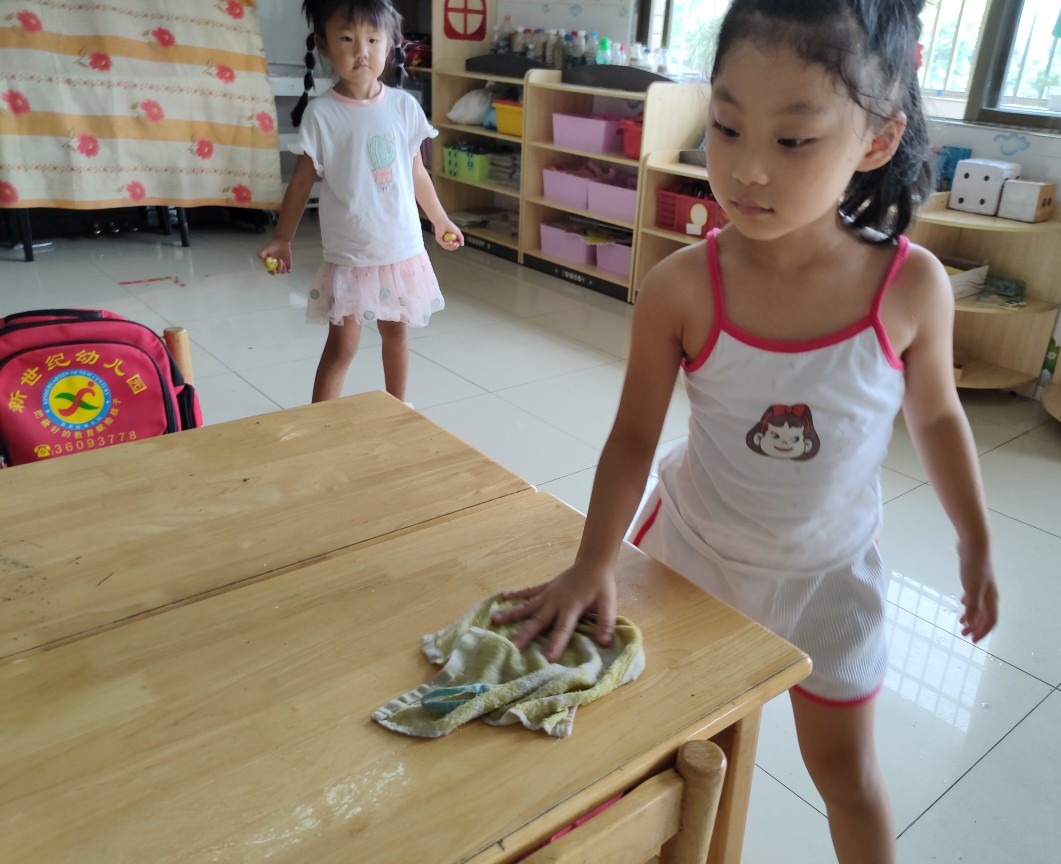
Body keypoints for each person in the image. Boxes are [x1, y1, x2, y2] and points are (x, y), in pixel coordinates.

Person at [493, 1, 999, 861]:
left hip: (830, 580)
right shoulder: (683, 286)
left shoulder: (911, 288)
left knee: (847, 777)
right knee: (667, 758)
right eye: (726, 128)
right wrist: (594, 560)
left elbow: (939, 415)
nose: (748, 170)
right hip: (691, 561)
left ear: (877, 140)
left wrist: (975, 540)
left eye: (793, 140)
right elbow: (632, 439)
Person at [258, 0, 461, 404]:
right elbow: (301, 183)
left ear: (391, 43)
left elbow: (416, 172)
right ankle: (321, 421)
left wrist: (440, 220)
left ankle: (398, 410)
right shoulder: (322, 114)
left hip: (400, 246)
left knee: (397, 333)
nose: (361, 51)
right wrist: (282, 238)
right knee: (343, 345)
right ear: (323, 45)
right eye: (347, 39)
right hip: (351, 252)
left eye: (372, 40)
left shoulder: (404, 106)